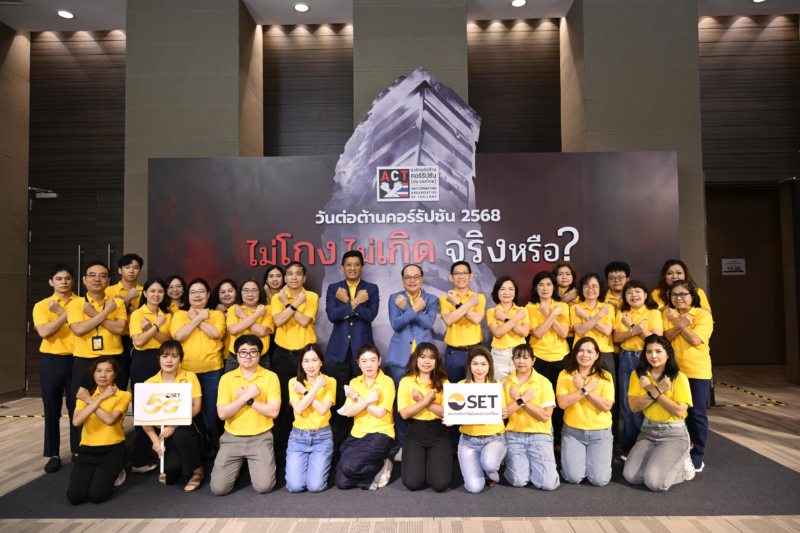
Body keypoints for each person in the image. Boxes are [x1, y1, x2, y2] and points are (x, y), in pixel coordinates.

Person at [324, 250, 379, 456]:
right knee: (340, 399)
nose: (352, 268)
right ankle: (340, 449)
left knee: (362, 398)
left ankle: (361, 447)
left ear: (362, 267)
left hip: (362, 354)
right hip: (339, 352)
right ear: (342, 267)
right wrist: (355, 302)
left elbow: (370, 315)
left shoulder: (371, 289)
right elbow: (332, 315)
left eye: (356, 264)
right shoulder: (334, 288)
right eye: (348, 264)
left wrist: (347, 302)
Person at [211, 335, 281, 495]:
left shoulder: (270, 377)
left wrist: (249, 400)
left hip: (260, 438)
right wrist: (245, 397)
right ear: (237, 355)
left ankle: (248, 464)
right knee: (218, 489)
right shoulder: (227, 378)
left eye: (252, 351)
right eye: (243, 352)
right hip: (231, 438)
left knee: (264, 487)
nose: (248, 356)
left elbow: (274, 412)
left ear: (259, 354)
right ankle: (241, 466)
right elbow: (222, 414)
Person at [624, 335, 695, 491]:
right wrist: (657, 390)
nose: (653, 356)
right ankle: (660, 462)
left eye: (658, 351)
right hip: (648, 431)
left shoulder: (679, 377)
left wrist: (651, 389)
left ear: (668, 354)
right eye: (649, 352)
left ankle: (681, 468)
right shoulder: (638, 375)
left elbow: (679, 411)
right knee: (631, 477)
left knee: (654, 483)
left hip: (673, 434)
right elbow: (634, 407)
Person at [386, 264, 439, 455]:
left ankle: (425, 444)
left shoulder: (431, 299)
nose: (412, 280)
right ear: (402, 280)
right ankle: (402, 446)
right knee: (402, 403)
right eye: (408, 277)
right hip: (401, 359)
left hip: (425, 361)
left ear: (422, 279)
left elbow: (428, 322)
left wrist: (407, 309)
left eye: (416, 277)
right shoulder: (395, 298)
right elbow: (396, 323)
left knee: (427, 400)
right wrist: (416, 309)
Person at [170, 278, 226, 452]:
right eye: (193, 292)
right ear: (187, 296)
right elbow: (179, 336)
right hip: (185, 371)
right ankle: (190, 452)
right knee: (185, 412)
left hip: (212, 371)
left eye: (201, 291)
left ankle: (207, 451)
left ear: (208, 294)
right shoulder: (180, 315)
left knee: (210, 413)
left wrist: (196, 318)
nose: (197, 295)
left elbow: (216, 334)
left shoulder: (217, 315)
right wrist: (199, 318)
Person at [270, 261, 319, 465]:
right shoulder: (277, 297)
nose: (294, 277)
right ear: (285, 277)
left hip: (305, 357)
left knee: (307, 402)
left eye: (298, 274)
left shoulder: (312, 296)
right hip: (282, 356)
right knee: (284, 406)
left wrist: (291, 304)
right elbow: (278, 321)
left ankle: (309, 448)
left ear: (304, 278)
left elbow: (305, 321)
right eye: (290, 274)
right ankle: (283, 450)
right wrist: (294, 304)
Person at [662, 280, 713, 472]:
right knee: (676, 413)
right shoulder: (667, 314)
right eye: (674, 294)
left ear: (693, 296)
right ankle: (679, 450)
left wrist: (677, 322)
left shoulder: (702, 314)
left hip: (697, 371)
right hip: (673, 371)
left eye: (683, 294)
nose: (679, 298)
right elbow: (665, 338)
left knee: (696, 413)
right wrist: (679, 323)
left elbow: (695, 339)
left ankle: (697, 454)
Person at [33, 264, 80, 472]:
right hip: (51, 362)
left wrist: (61, 313)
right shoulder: (42, 305)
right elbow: (45, 332)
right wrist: (66, 316)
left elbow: (83, 330)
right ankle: (53, 454)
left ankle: (78, 450)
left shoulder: (82, 303)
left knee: (76, 407)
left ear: (73, 281)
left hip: (78, 360)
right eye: (59, 279)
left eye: (68, 278)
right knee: (51, 408)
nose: (64, 282)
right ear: (51, 282)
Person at [67, 357, 132, 504]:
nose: (103, 375)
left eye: (108, 371)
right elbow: (76, 421)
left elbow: (109, 420)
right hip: (87, 450)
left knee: (97, 496)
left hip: (112, 450)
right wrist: (98, 398)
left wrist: (91, 401)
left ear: (115, 374)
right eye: (99, 371)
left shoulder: (124, 395)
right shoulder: (84, 395)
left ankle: (118, 470)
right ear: (94, 374)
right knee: (75, 497)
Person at [143, 341, 205, 491]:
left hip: (185, 426)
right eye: (165, 356)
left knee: (181, 434)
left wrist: (173, 425)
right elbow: (144, 417)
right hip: (162, 432)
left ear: (180, 359)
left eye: (174, 356)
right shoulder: (149, 383)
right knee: (171, 471)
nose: (169, 360)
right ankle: (179, 463)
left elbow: (196, 407)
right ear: (158, 359)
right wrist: (155, 440)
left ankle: (198, 470)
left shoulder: (189, 376)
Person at [613, 280, 663, 457]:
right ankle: (628, 448)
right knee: (627, 405)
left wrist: (631, 327)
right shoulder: (622, 313)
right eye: (629, 292)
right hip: (625, 357)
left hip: (644, 359)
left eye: (637, 291)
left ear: (645, 294)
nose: (633, 295)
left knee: (643, 404)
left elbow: (656, 339)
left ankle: (646, 448)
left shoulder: (653, 313)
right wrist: (634, 331)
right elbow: (616, 338)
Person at [569, 273, 619, 452]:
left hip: (604, 355)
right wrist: (597, 316)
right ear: (581, 289)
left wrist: (588, 316)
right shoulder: (576, 308)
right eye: (587, 286)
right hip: (581, 355)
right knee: (578, 392)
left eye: (594, 286)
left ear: (600, 289)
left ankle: (610, 440)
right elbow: (580, 330)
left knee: (607, 397)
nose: (590, 289)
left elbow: (607, 330)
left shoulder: (608, 307)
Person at [556, 337, 615, 487]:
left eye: (590, 351)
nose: (585, 355)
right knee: (573, 477)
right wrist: (585, 389)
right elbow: (562, 403)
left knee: (599, 480)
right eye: (581, 350)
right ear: (575, 353)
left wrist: (584, 389)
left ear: (597, 355)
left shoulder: (605, 376)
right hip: (573, 433)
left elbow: (606, 406)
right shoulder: (565, 374)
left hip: (600, 434)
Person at [336, 344, 396, 490]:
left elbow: (380, 412)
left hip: (380, 434)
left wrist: (356, 397)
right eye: (364, 361)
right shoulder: (354, 382)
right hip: (357, 434)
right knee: (342, 483)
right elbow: (349, 412)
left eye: (372, 360)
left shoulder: (387, 382)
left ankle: (383, 464)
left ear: (379, 361)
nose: (368, 365)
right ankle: (378, 470)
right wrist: (368, 400)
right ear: (358, 362)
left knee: (348, 466)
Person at [129, 278, 173, 474]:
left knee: (163, 409)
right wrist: (155, 327)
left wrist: (150, 329)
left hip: (163, 361)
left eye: (160, 291)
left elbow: (168, 341)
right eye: (152, 291)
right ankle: (140, 461)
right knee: (144, 410)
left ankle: (160, 455)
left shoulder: (167, 315)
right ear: (145, 293)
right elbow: (138, 342)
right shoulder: (137, 314)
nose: (156, 294)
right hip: (143, 362)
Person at [502, 344, 559, 491]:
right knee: (518, 481)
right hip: (514, 435)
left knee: (548, 484)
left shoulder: (544, 382)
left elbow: (545, 416)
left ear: (533, 360)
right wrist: (521, 400)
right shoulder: (504, 382)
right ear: (512, 359)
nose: (521, 361)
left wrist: (521, 400)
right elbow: (502, 414)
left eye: (526, 358)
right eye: (517, 357)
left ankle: (534, 467)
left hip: (540, 435)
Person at [68, 261, 128, 400]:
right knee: (81, 404)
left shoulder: (117, 303)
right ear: (84, 279)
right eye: (92, 275)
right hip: (84, 360)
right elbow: (78, 330)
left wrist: (94, 314)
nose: (97, 279)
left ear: (108, 280)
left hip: (113, 359)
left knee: (114, 404)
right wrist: (106, 312)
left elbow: (119, 328)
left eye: (102, 275)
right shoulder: (76, 303)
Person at [398, 342, 452, 492]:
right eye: (423, 357)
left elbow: (449, 412)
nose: (427, 361)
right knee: (412, 483)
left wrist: (422, 400)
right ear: (416, 359)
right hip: (414, 434)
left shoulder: (444, 382)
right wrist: (427, 401)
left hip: (439, 434)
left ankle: (431, 466)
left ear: (436, 361)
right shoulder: (406, 381)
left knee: (440, 485)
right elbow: (404, 413)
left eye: (431, 358)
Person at [526, 271, 570, 444]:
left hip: (560, 358)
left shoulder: (562, 306)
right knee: (539, 401)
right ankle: (542, 440)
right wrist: (550, 314)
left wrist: (550, 313)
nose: (545, 288)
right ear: (535, 288)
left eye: (549, 285)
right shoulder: (530, 308)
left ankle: (558, 441)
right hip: (538, 358)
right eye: (541, 285)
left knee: (559, 402)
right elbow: (537, 333)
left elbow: (564, 333)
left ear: (554, 287)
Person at [286, 344, 336, 493]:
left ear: (321, 362)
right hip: (298, 437)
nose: (310, 365)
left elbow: (322, 409)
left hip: (322, 437)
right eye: (306, 361)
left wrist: (305, 391)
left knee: (315, 487)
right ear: (301, 364)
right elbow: (299, 409)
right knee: (295, 487)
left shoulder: (330, 381)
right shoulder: (294, 382)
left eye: (314, 360)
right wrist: (314, 389)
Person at [458, 346, 507, 493]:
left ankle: (489, 468)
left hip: (494, 439)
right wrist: (450, 418)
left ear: (489, 366)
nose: (479, 368)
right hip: (468, 442)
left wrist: (502, 413)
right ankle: (483, 468)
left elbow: (501, 412)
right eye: (475, 364)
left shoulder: (496, 385)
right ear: (469, 366)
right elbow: (457, 413)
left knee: (490, 464)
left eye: (483, 364)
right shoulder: (461, 386)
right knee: (474, 488)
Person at [439, 261, 485, 385]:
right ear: (451, 277)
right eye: (457, 273)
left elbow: (476, 319)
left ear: (471, 276)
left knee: (476, 389)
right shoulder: (445, 298)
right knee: (454, 390)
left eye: (464, 273)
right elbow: (449, 320)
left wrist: (456, 303)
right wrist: (469, 304)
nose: (461, 276)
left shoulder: (478, 297)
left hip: (476, 351)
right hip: (454, 353)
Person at [105, 253, 144, 390]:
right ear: (120, 270)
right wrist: (128, 298)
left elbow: (146, 318)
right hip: (114, 338)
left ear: (140, 271)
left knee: (139, 382)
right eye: (127, 267)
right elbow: (106, 315)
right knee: (117, 382)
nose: (131, 271)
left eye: (135, 268)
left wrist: (123, 302)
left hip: (138, 339)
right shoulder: (108, 291)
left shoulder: (146, 292)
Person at [226, 277, 274, 372]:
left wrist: (242, 315)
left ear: (260, 292)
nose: (250, 294)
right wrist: (257, 315)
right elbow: (234, 330)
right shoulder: (234, 309)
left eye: (254, 290)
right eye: (246, 290)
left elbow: (262, 332)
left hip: (262, 359)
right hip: (235, 360)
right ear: (240, 293)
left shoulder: (268, 309)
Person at [486, 276, 530, 381]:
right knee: (499, 387)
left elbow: (524, 332)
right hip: (499, 355)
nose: (507, 292)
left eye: (510, 289)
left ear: (515, 292)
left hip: (520, 354)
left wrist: (504, 318)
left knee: (520, 386)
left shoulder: (522, 311)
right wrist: (516, 318)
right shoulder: (492, 312)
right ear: (497, 292)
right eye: (502, 289)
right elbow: (497, 333)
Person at [210, 279, 238, 369]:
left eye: (230, 291)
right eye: (223, 292)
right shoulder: (212, 311)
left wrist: (225, 312)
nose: (227, 294)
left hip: (240, 354)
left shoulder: (242, 308)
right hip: (220, 355)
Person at [553, 261, 578, 350]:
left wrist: (564, 300)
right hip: (555, 335)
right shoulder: (549, 292)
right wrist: (567, 299)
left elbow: (582, 312)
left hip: (576, 336)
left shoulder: (579, 292)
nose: (564, 277)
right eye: (560, 274)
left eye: (568, 274)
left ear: (572, 276)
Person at [262, 265, 285, 364]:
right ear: (266, 280)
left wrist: (269, 294)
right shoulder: (260, 297)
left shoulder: (288, 296)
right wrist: (266, 294)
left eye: (278, 276)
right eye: (271, 276)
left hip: (284, 337)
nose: (275, 279)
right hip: (266, 338)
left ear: (284, 279)